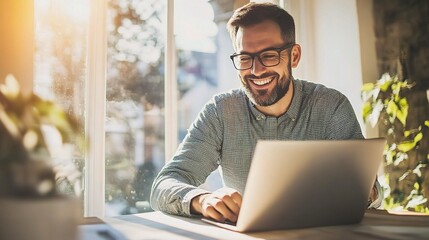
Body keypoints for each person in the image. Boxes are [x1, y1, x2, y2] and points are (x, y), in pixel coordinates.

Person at [150, 2, 382, 223]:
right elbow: (164, 184)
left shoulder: (331, 106)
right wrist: (201, 200)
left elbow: (371, 190)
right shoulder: (220, 112)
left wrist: (364, 191)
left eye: (269, 56)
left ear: (294, 56)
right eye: (244, 58)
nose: (256, 70)